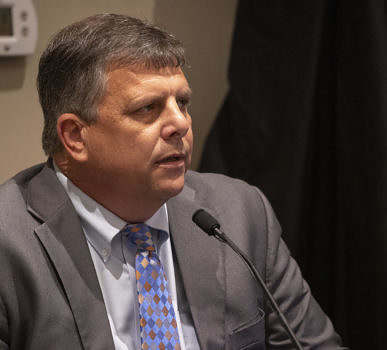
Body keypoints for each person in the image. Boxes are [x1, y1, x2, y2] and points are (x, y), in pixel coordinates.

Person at [0, 14, 343, 350]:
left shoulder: (240, 213)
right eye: (147, 108)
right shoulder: (9, 244)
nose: (180, 123)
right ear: (75, 136)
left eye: (182, 102)